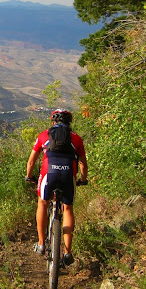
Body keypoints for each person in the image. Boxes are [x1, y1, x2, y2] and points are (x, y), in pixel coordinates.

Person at [25, 109, 88, 266]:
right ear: (69, 123)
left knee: (42, 203)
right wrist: (82, 180)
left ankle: (41, 244)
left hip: (49, 173)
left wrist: (29, 176)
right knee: (68, 209)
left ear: (53, 122)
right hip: (68, 174)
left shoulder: (44, 135)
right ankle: (67, 252)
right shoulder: (76, 138)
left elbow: (31, 162)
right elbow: (83, 164)